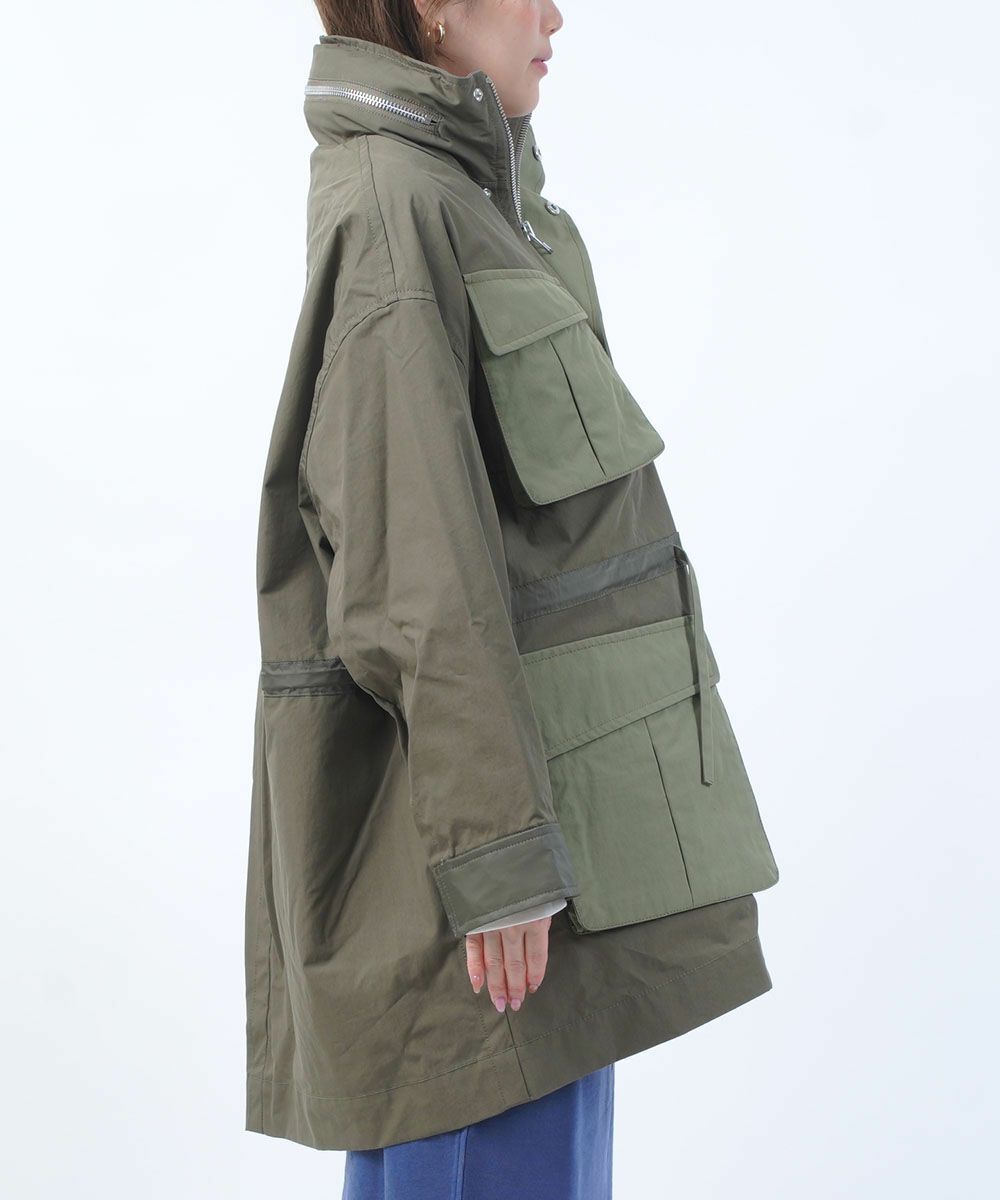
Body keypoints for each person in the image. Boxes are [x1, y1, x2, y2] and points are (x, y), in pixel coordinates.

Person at [244, 2, 780, 1195]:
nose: (554, 15)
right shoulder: (399, 210)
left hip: (544, 842)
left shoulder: (459, 193)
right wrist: (498, 862)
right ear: (435, 7)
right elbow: (409, 569)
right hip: (483, 882)